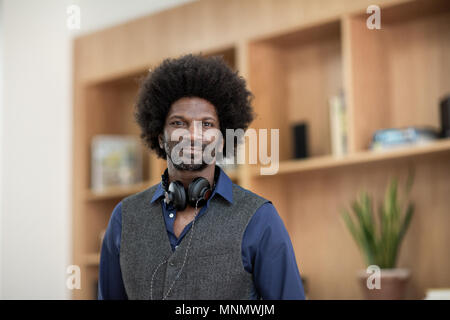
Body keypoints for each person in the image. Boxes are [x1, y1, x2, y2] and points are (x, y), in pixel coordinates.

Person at [98, 54, 305, 300]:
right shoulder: (124, 218)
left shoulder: (260, 220)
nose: (193, 135)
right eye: (178, 122)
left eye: (206, 124)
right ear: (160, 137)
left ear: (222, 139)